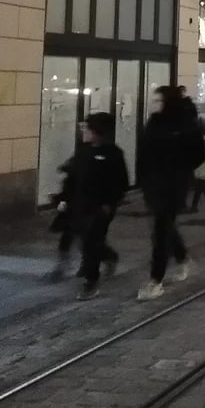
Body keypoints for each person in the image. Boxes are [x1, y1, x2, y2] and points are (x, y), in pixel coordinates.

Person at [137, 86, 205, 301]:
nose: (154, 102)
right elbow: (144, 151)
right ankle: (183, 258)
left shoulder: (185, 124)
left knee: (161, 229)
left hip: (174, 184)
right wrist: (143, 179)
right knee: (164, 225)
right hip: (153, 184)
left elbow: (199, 152)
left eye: (158, 99)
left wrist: (181, 169)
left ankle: (155, 280)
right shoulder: (154, 122)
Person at [65, 113, 128, 300]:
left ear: (99, 132)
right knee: (83, 238)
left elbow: (121, 181)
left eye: (89, 129)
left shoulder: (113, 153)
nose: (84, 131)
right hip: (81, 203)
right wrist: (64, 196)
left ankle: (91, 281)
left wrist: (110, 202)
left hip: (101, 206)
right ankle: (108, 256)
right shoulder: (83, 150)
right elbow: (73, 175)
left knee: (92, 240)